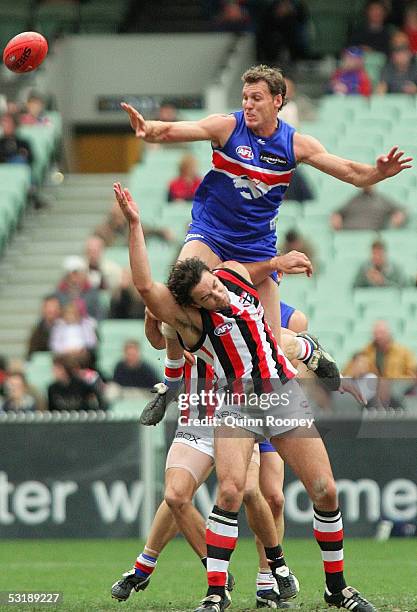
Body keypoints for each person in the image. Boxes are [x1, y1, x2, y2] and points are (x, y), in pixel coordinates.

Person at [112, 181, 376, 612]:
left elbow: (250, 271)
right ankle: (216, 593)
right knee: (232, 491)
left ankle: (336, 588)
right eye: (207, 297)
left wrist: (278, 261)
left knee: (325, 489)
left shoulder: (229, 275)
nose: (217, 294)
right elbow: (144, 286)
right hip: (236, 400)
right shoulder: (191, 323)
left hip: (282, 393)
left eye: (215, 286)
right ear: (191, 306)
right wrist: (135, 224)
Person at [122, 64, 410, 364]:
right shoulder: (228, 127)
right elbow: (178, 129)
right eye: (245, 97)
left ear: (277, 100)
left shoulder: (295, 144)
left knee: (269, 351)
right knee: (171, 300)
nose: (247, 104)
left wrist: (379, 173)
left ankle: (305, 349)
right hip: (211, 233)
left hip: (256, 245)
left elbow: (351, 172)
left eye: (256, 98)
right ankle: (172, 374)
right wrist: (149, 129)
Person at [343, 320, 417, 379]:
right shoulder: (366, 352)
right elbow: (347, 373)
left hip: (397, 391)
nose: (379, 336)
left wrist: (397, 380)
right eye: (376, 333)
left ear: (389, 333)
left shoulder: (404, 352)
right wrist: (357, 373)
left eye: (382, 333)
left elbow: (412, 375)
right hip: (373, 392)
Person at [330, 185, 407, 231]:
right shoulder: (354, 199)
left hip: (372, 235)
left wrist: (398, 216)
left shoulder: (382, 200)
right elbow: (338, 212)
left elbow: (400, 210)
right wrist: (336, 217)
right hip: (350, 234)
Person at [55, 255, 104, 321]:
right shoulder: (58, 294)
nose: (74, 279)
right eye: (71, 275)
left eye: (77, 275)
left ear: (83, 275)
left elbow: (99, 314)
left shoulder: (93, 293)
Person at [49, 301, 98, 366]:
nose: (71, 316)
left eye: (73, 313)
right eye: (69, 314)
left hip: (82, 354)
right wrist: (66, 350)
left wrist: (81, 348)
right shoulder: (59, 327)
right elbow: (54, 345)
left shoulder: (86, 325)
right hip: (65, 355)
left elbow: (92, 341)